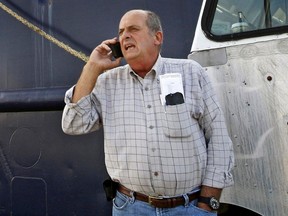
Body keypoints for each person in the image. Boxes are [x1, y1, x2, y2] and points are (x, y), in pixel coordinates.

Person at [62, 9, 234, 216]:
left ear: (157, 37)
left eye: (133, 29)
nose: (125, 35)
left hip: (189, 208)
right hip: (131, 208)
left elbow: (219, 139)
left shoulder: (190, 72)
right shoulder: (107, 82)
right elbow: (73, 124)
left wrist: (208, 203)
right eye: (121, 32)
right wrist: (92, 67)